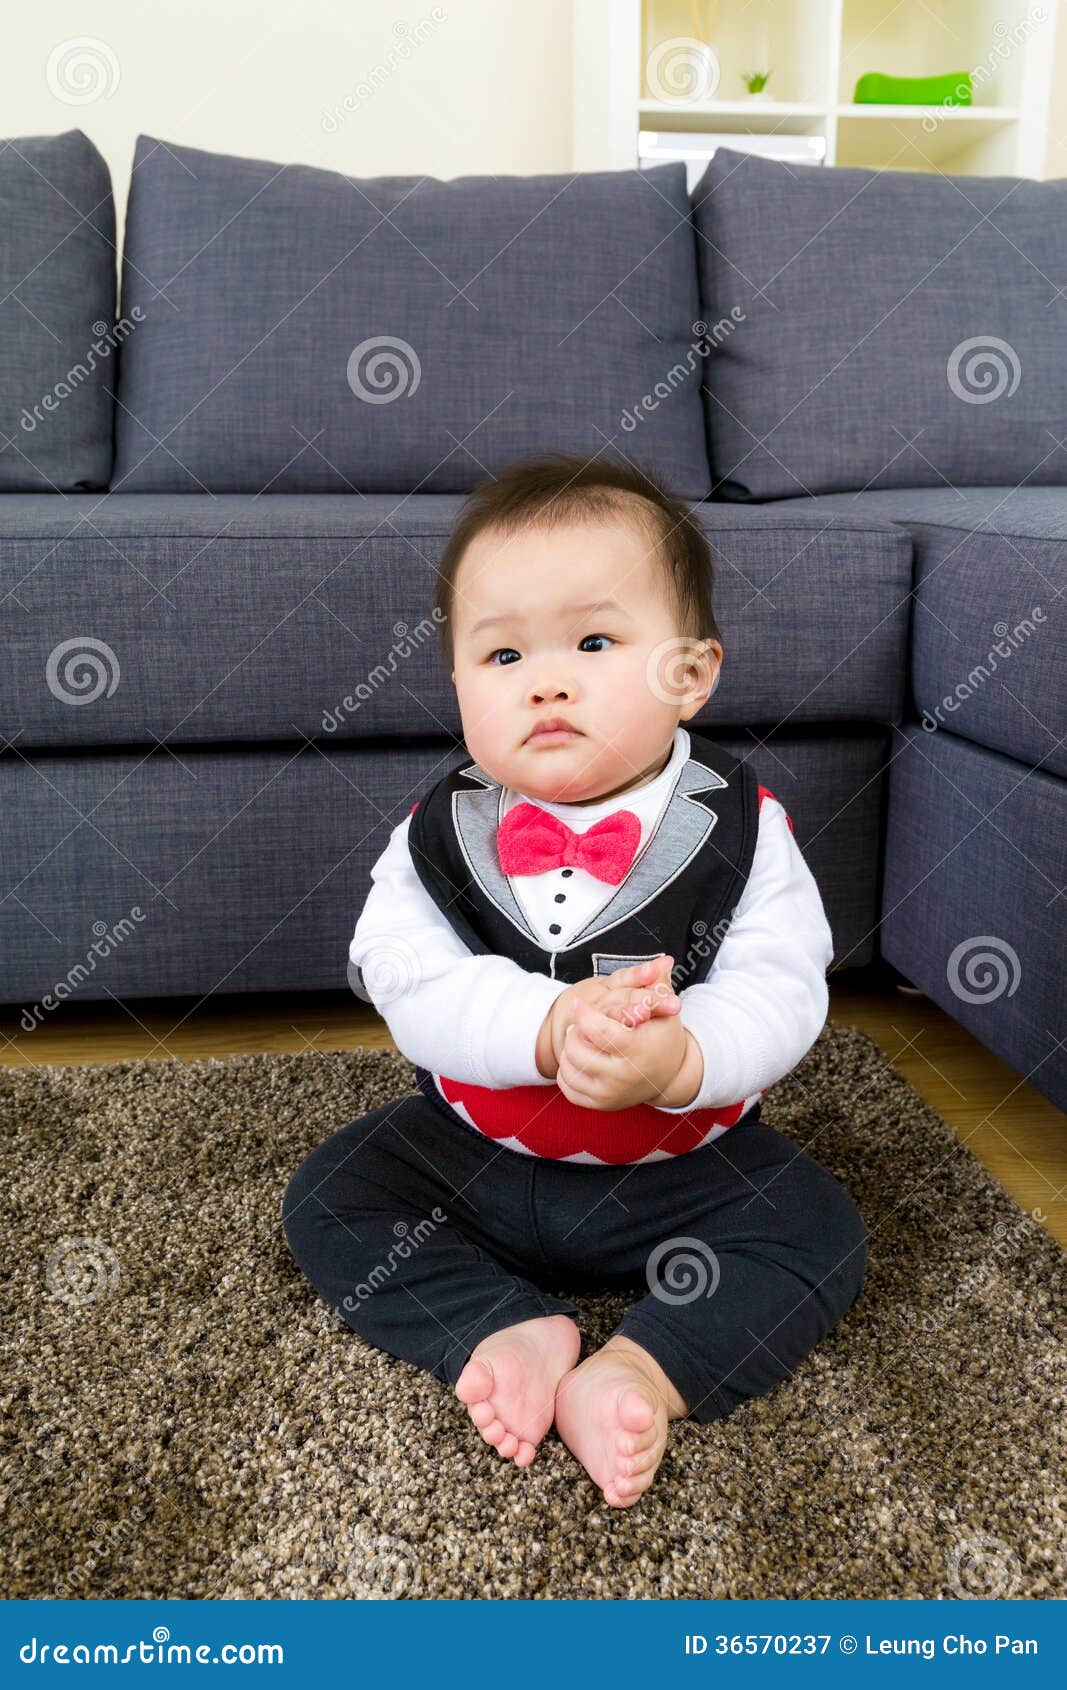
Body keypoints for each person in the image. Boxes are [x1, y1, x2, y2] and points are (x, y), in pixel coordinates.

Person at [283, 451, 867, 1508]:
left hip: (680, 1170)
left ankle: (643, 1364)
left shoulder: (740, 824)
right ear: (457, 683)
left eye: (593, 642)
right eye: (502, 654)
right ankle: (501, 1323)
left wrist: (683, 1056)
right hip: (472, 1156)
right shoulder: (438, 831)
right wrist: (543, 1026)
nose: (544, 680)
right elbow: (398, 972)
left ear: (688, 672)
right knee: (334, 1193)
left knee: (815, 1229)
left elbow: (783, 984)